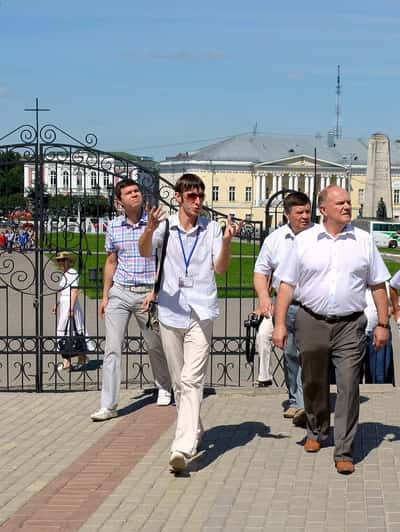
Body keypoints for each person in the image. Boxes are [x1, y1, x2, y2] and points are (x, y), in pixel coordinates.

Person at [273, 185, 390, 475]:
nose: (347, 206)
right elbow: (286, 285)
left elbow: (378, 284)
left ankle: (344, 450)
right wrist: (278, 323)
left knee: (349, 386)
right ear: (323, 209)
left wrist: (384, 324)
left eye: (349, 202)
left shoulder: (363, 241)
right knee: (313, 382)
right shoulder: (304, 241)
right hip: (311, 320)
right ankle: (316, 429)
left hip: (351, 324)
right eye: (340, 203)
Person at [139, 173, 243, 472]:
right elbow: (145, 251)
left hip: (201, 310)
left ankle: (182, 448)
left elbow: (220, 269)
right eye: (191, 197)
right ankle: (194, 428)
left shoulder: (211, 229)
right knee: (179, 382)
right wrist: (148, 228)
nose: (198, 202)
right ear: (179, 198)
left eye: (201, 196)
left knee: (191, 379)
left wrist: (226, 242)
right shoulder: (165, 226)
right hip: (171, 310)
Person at [90, 179, 171, 422]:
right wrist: (106, 294)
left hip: (147, 292)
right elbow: (111, 261)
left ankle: (164, 386)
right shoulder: (114, 227)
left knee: (154, 343)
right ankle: (109, 405)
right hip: (120, 292)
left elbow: (163, 260)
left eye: (137, 191)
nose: (135, 194)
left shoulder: (157, 223)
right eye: (129, 192)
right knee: (112, 348)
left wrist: (155, 291)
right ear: (120, 201)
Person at [253, 192, 312, 426]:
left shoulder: (320, 236)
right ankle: (296, 401)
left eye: (308, 211)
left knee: (312, 355)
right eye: (299, 212)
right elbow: (260, 272)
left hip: (314, 307)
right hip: (286, 306)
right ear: (287, 214)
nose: (305, 216)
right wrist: (264, 297)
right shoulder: (275, 239)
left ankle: (305, 403)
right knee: (291, 354)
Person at [53, 251, 94, 371]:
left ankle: (79, 357)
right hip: (65, 304)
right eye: (59, 260)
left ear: (69, 261)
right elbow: (62, 291)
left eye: (63, 260)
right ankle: (69, 360)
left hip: (71, 305)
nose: (61, 262)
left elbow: (75, 291)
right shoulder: (65, 274)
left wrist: (71, 308)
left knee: (73, 330)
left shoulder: (72, 273)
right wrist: (57, 303)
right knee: (65, 331)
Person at [364, 285, 393, 384]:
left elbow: (389, 309)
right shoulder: (353, 284)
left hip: (377, 334)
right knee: (350, 375)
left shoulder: (384, 286)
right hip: (353, 333)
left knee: (379, 375)